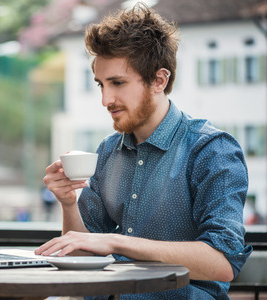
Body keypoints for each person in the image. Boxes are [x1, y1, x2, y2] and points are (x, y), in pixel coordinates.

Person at [35, 3, 252, 299]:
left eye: (118, 83)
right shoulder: (108, 152)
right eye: (101, 84)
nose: (105, 100)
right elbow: (84, 255)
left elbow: (222, 264)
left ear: (159, 80)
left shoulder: (212, 151)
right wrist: (68, 204)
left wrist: (117, 243)